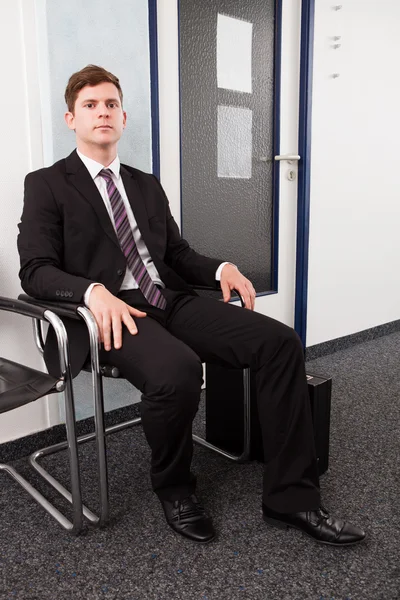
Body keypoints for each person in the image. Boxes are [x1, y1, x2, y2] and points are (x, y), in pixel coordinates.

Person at [18, 65, 365, 546]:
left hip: (168, 298)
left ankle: (294, 499)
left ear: (124, 117)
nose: (103, 113)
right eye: (90, 105)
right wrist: (92, 293)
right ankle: (175, 488)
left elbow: (175, 255)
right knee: (178, 371)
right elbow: (34, 269)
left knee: (279, 342)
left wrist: (221, 269)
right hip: (109, 311)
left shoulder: (144, 185)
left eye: (111, 104)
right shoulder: (47, 183)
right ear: (70, 118)